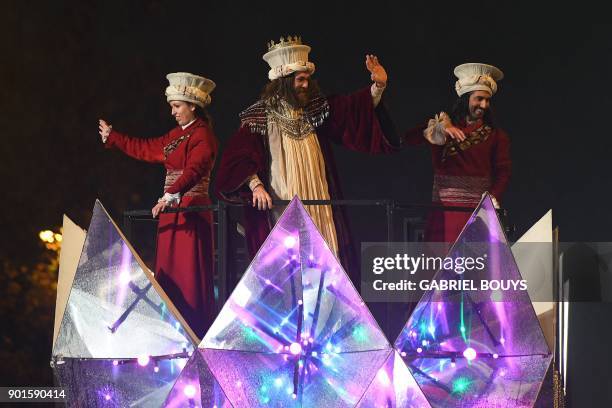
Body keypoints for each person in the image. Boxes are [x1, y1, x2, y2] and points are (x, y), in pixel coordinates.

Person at [214, 36, 399, 284]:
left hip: (317, 201)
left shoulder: (314, 110)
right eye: (299, 80)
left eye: (306, 79)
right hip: (282, 201)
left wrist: (377, 86)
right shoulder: (259, 115)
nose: (305, 85)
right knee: (286, 267)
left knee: (323, 260)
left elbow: (350, 110)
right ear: (283, 82)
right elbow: (237, 157)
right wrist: (255, 185)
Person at [99, 72, 218, 338]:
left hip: (191, 211)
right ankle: (170, 333)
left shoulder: (203, 135)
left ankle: (194, 332)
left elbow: (195, 170)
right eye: (172, 107)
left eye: (177, 107)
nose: (173, 112)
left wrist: (171, 195)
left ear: (193, 106)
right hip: (171, 211)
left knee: (188, 275)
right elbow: (146, 148)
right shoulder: (176, 136)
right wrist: (115, 137)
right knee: (168, 274)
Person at [404, 63, 511, 242]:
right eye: (479, 99)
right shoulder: (441, 130)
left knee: (476, 267)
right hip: (443, 214)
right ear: (466, 98)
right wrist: (440, 127)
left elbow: (503, 173)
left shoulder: (497, 136)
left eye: (487, 100)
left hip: (478, 214)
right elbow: (408, 139)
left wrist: (491, 201)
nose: (484, 105)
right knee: (439, 266)